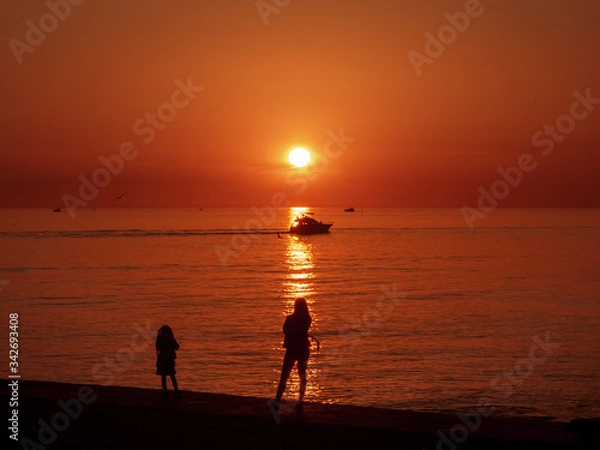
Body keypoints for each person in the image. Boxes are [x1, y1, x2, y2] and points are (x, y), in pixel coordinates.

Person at [274, 298, 312, 407]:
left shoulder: (291, 318)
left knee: (285, 375)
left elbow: (286, 330)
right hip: (302, 349)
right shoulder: (307, 318)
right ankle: (299, 400)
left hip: (293, 349)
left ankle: (278, 400)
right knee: (301, 375)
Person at [155, 325, 180, 398]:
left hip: (162, 359)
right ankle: (176, 392)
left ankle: (165, 392)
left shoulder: (160, 339)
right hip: (169, 360)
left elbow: (157, 347)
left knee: (163, 377)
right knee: (172, 376)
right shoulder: (170, 339)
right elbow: (177, 347)